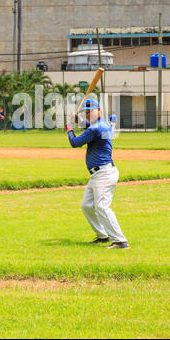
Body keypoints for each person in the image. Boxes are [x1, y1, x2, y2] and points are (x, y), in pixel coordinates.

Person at [65, 99, 129, 249]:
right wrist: (78, 119)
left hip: (104, 172)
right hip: (97, 174)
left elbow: (75, 142)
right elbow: (88, 125)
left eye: (90, 111)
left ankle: (120, 241)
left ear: (98, 111)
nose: (87, 114)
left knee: (101, 206)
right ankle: (103, 235)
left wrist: (69, 129)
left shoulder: (96, 128)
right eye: (85, 112)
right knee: (87, 206)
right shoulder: (101, 124)